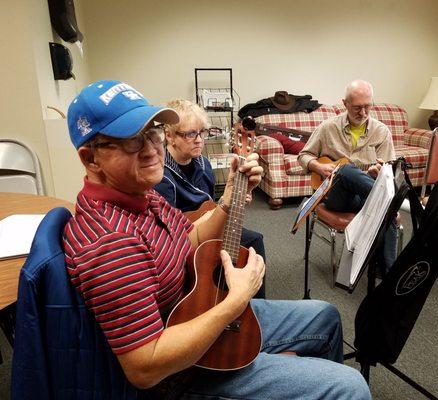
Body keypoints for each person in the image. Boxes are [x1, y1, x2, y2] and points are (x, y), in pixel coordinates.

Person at [63, 80, 371, 400]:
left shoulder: (140, 194)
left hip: (199, 310)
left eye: (151, 132)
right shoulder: (111, 244)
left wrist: (229, 199)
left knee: (325, 316)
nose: (151, 147)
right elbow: (146, 368)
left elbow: (187, 238)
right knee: (348, 386)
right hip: (184, 372)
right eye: (130, 140)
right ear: (90, 159)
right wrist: (238, 298)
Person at [154, 100, 266, 298]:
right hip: (186, 241)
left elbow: (211, 205)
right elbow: (170, 235)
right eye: (190, 134)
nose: (199, 140)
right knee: (251, 241)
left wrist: (236, 200)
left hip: (213, 225)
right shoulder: (162, 177)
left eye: (203, 132)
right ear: (169, 136)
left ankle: (253, 306)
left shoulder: (204, 164)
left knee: (254, 240)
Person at [298, 80, 397, 273]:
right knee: (344, 170)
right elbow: (303, 156)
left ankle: (390, 275)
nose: (363, 113)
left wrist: (380, 172)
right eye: (357, 108)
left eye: (368, 107)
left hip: (365, 196)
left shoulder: (381, 131)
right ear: (345, 104)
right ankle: (390, 199)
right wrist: (317, 166)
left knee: (388, 213)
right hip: (334, 195)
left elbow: (388, 169)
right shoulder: (328, 127)